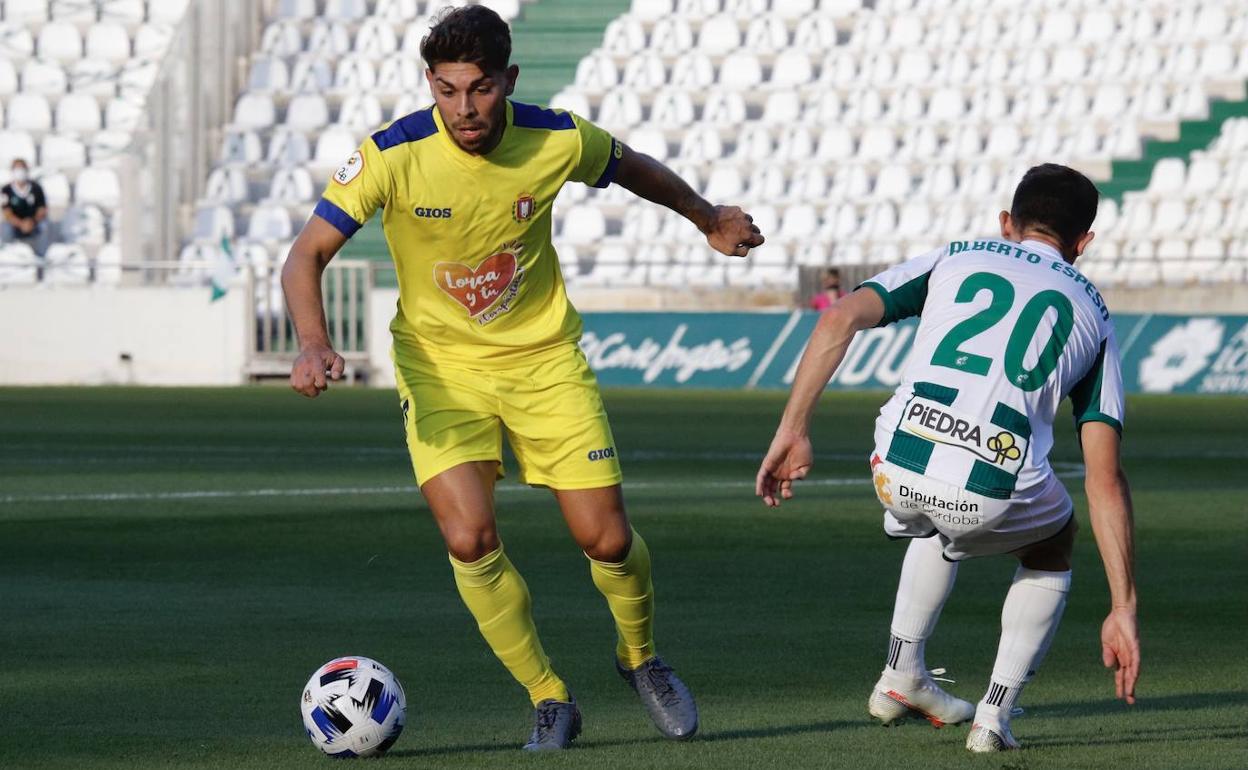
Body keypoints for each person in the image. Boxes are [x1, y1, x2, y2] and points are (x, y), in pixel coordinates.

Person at [281, 5, 764, 753]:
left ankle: (639, 658)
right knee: (470, 537)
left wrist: (704, 216)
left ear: (507, 79)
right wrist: (313, 342)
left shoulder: (557, 137)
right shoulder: (390, 154)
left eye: (478, 89)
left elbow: (631, 167)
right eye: (445, 90)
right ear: (429, 85)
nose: (463, 108)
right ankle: (548, 696)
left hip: (545, 363)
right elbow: (305, 254)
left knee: (604, 541)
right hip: (441, 371)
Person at [755, 164, 1138, 753]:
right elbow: (1104, 477)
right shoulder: (1094, 314)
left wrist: (794, 428)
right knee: (1052, 544)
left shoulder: (957, 255)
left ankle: (901, 674)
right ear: (1083, 242)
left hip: (896, 459)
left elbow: (839, 317)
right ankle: (993, 716)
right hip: (994, 480)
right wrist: (1121, 606)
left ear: (1006, 223)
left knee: (933, 515)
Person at [1, 159, 52, 258]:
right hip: (15, 225)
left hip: (33, 223)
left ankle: (41, 256)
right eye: (17, 169)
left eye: (22, 168)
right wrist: (21, 224)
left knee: (45, 226)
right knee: (5, 227)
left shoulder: (36, 188)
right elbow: (7, 213)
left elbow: (42, 210)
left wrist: (32, 222)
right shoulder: (6, 190)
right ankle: (7, 255)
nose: (20, 172)